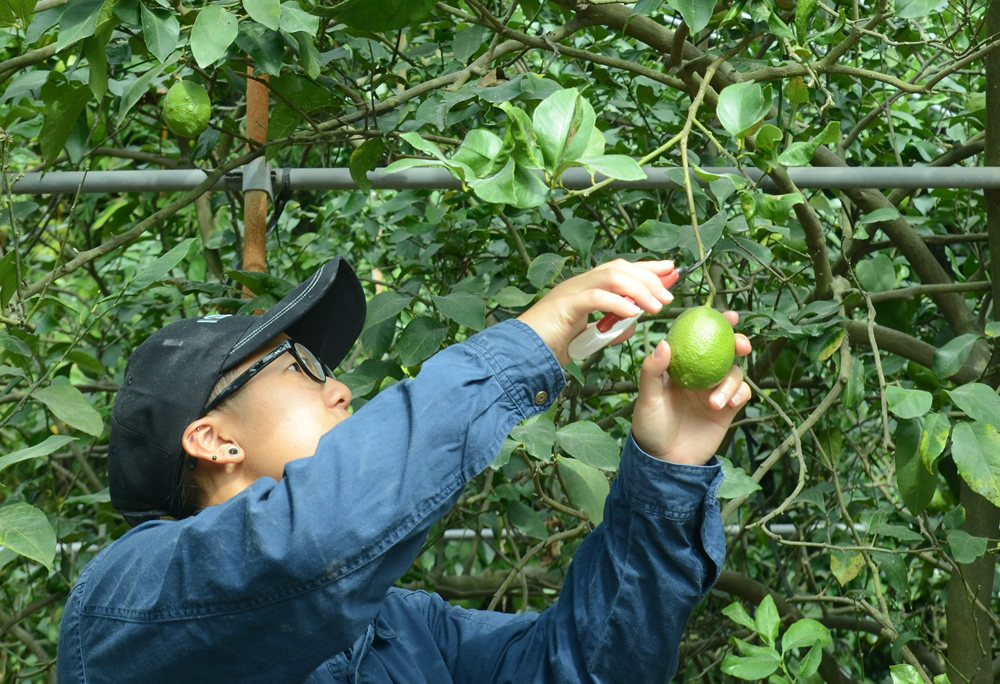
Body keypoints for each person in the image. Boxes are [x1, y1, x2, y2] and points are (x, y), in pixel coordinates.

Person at [56, 255, 752, 683]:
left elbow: (584, 668)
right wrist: (533, 341)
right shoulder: (124, 606)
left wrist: (667, 467)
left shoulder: (405, 633)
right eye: (302, 369)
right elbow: (306, 543)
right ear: (213, 439)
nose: (339, 389)